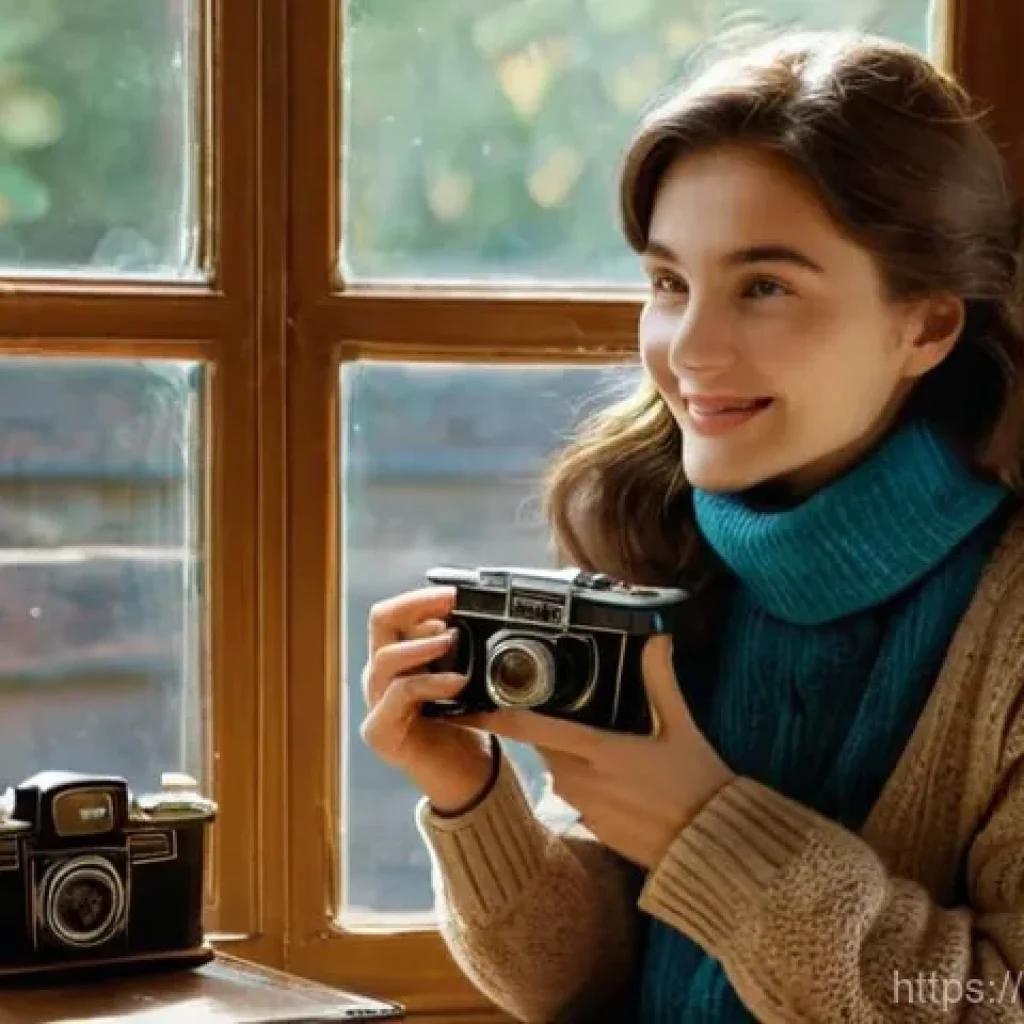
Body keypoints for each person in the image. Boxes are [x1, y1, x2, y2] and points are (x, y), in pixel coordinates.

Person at [359, 29, 1024, 1022]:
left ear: (925, 326)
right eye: (668, 283)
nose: (688, 351)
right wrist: (470, 799)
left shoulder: (1007, 621)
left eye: (764, 287)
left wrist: (701, 825)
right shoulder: (658, 534)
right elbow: (576, 980)